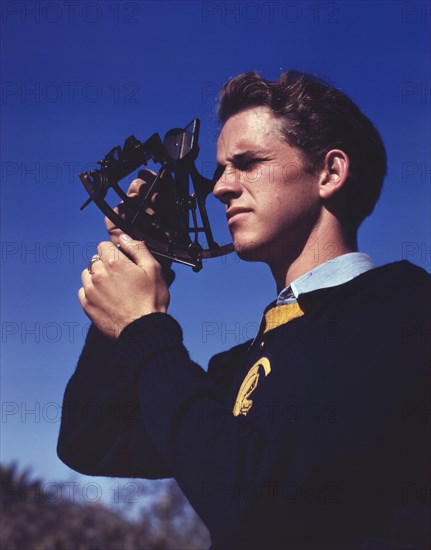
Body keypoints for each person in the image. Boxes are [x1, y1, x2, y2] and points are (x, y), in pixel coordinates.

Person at [58, 71, 430, 549]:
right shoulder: (244, 364)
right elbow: (92, 437)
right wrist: (142, 271)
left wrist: (143, 328)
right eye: (220, 169)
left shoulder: (401, 312)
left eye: (247, 163)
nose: (220, 188)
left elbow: (259, 508)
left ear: (330, 173)